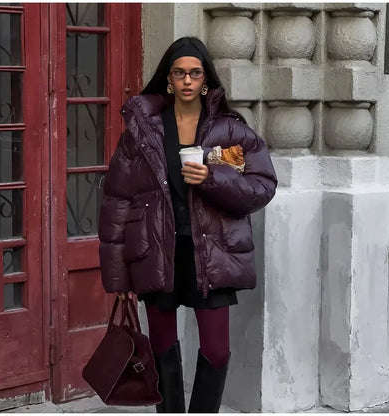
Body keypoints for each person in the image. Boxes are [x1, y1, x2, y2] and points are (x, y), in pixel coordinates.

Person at [98, 36, 277, 413]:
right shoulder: (142, 130)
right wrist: (118, 278)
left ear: (205, 80)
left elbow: (261, 188)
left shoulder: (231, 131)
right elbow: (117, 200)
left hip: (211, 254)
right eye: (179, 73)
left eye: (195, 73)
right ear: (168, 79)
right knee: (163, 349)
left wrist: (212, 178)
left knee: (216, 350)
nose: (187, 80)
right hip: (155, 252)